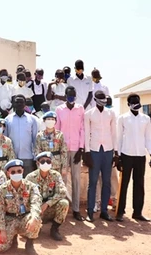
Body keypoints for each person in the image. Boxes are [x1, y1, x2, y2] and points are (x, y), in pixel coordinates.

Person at [0, 160, 42, 255]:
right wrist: (2, 230)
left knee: (36, 219)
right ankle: (13, 239)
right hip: (9, 220)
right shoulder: (2, 189)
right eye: (13, 172)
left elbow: (36, 203)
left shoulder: (31, 187)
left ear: (23, 171)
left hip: (24, 218)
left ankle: (30, 244)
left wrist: (34, 217)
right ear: (8, 173)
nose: (16, 173)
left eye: (19, 171)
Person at [116, 93, 151, 222]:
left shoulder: (146, 119)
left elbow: (148, 138)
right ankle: (120, 211)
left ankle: (137, 212)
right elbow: (118, 138)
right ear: (128, 104)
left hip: (140, 156)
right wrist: (118, 156)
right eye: (133, 102)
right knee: (124, 184)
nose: (136, 105)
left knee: (139, 184)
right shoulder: (123, 118)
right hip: (126, 155)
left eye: (138, 102)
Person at [83, 90, 117, 222]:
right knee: (92, 182)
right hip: (94, 150)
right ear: (95, 99)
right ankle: (90, 211)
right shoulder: (89, 114)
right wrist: (87, 153)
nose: (103, 101)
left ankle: (104, 211)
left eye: (105, 99)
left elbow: (114, 133)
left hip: (108, 150)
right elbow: (86, 133)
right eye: (101, 99)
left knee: (107, 182)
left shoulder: (111, 113)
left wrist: (116, 153)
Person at [55, 86, 86, 221]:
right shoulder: (59, 109)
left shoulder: (80, 109)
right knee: (62, 179)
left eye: (73, 95)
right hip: (62, 149)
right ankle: (62, 209)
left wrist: (81, 149)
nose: (71, 97)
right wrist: (57, 148)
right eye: (69, 95)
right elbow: (56, 129)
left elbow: (82, 129)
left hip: (76, 149)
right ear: (65, 95)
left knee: (76, 179)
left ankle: (76, 209)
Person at [25, 152, 69, 241]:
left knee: (64, 203)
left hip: (49, 207)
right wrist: (37, 206)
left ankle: (54, 229)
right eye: (43, 161)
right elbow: (25, 196)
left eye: (48, 161)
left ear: (51, 163)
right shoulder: (30, 177)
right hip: (35, 209)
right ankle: (35, 225)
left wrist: (48, 203)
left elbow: (63, 191)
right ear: (37, 163)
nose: (46, 163)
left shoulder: (56, 175)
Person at [5, 95, 38, 177]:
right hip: (12, 157)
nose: (19, 104)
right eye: (17, 102)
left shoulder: (32, 119)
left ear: (25, 104)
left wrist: (35, 157)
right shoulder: (7, 119)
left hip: (28, 156)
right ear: (13, 104)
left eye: (21, 102)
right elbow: (5, 139)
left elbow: (35, 139)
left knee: (28, 181)